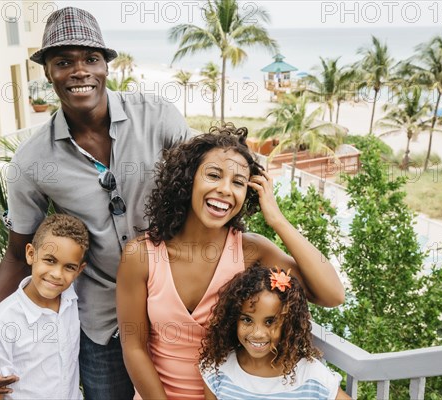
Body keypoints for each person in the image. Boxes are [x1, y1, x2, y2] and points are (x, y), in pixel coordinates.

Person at [0, 7, 190, 400]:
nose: (79, 71)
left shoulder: (157, 116)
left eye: (91, 59)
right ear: (48, 72)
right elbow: (19, 254)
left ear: (106, 65)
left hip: (174, 309)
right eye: (63, 62)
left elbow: (209, 180)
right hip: (102, 325)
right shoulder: (31, 161)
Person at [117, 125, 345, 399]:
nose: (225, 190)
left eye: (238, 182)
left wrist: (277, 219)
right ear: (188, 180)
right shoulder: (140, 255)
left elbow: (332, 294)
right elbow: (134, 347)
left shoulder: (251, 250)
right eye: (214, 175)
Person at [199, 264, 351, 400]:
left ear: (288, 323)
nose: (257, 333)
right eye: (247, 320)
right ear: (233, 319)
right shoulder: (218, 371)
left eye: (270, 322)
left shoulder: (312, 377)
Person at [0, 214, 88, 399]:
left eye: (69, 267)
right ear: (31, 254)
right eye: (50, 260)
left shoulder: (72, 300)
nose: (56, 274)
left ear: (79, 271)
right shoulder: (2, 321)